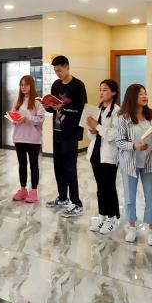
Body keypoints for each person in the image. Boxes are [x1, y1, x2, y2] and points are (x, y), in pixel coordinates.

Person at [115, 83, 152, 245]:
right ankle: (132, 227)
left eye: (145, 93)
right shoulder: (123, 118)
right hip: (130, 163)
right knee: (129, 198)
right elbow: (119, 141)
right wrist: (134, 145)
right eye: (140, 94)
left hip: (149, 161)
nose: (144, 96)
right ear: (132, 97)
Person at [44, 55, 88, 217]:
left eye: (60, 70)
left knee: (70, 168)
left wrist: (62, 107)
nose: (58, 74)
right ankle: (62, 197)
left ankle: (77, 203)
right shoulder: (56, 85)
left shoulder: (78, 85)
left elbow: (82, 109)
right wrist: (48, 106)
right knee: (58, 166)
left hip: (71, 133)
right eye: (55, 71)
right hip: (57, 131)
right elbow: (52, 109)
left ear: (67, 67)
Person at [87, 79, 121, 234]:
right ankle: (102, 216)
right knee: (100, 188)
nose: (101, 92)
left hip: (109, 156)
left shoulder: (117, 111)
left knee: (109, 187)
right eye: (100, 89)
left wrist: (97, 126)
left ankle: (112, 218)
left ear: (113, 92)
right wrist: (92, 130)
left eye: (105, 90)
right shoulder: (97, 109)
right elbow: (92, 136)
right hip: (96, 154)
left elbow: (113, 135)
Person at [11, 74, 46, 203]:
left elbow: (40, 120)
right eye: (21, 85)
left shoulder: (38, 102)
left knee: (33, 165)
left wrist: (27, 118)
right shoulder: (18, 102)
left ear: (31, 85)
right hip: (19, 138)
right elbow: (13, 116)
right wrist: (14, 119)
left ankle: (34, 191)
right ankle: (23, 189)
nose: (23, 87)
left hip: (33, 139)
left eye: (26, 84)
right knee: (22, 165)